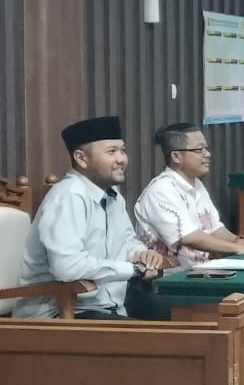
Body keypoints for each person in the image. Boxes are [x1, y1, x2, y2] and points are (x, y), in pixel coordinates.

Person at [14, 116, 168, 320]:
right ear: (81, 158)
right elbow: (67, 267)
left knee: (181, 315)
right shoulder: (68, 197)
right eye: (111, 152)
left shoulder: (113, 195)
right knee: (161, 337)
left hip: (106, 304)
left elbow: (126, 241)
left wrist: (142, 255)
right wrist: (133, 270)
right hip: (60, 312)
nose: (121, 159)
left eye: (122, 150)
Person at [134, 122, 244, 269]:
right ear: (176, 156)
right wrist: (236, 248)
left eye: (206, 148)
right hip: (167, 275)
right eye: (199, 150)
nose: (207, 154)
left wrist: (237, 241)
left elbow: (215, 228)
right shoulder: (161, 190)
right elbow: (189, 237)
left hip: (199, 271)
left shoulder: (196, 184)